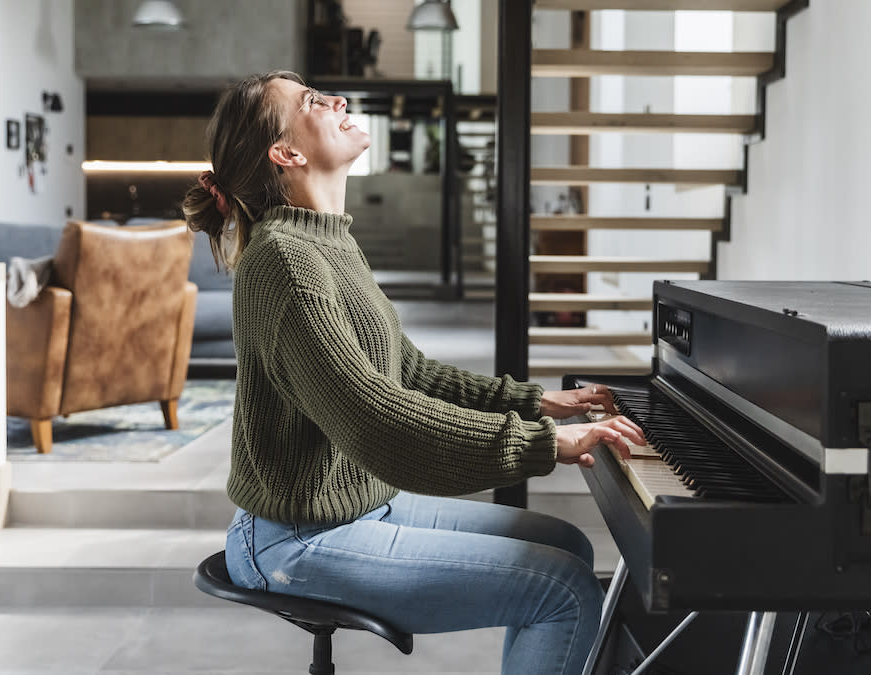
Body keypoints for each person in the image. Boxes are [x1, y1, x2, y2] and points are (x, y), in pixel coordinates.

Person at [181, 70, 645, 675]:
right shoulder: (284, 262)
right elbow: (377, 423)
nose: (338, 100)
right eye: (313, 101)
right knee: (562, 590)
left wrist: (538, 403)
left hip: (357, 508)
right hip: (296, 538)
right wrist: (544, 444)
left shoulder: (327, 243)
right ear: (286, 152)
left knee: (568, 546)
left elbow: (410, 372)